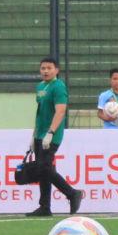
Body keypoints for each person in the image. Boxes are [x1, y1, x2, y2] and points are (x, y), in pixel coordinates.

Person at [25, 57, 81, 217]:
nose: (45, 71)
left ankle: (72, 193)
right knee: (43, 171)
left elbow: (60, 111)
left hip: (51, 135)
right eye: (43, 68)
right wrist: (34, 135)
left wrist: (50, 132)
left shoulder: (58, 86)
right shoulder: (41, 87)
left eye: (49, 68)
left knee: (44, 168)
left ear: (56, 70)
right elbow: (40, 112)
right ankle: (45, 207)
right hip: (40, 134)